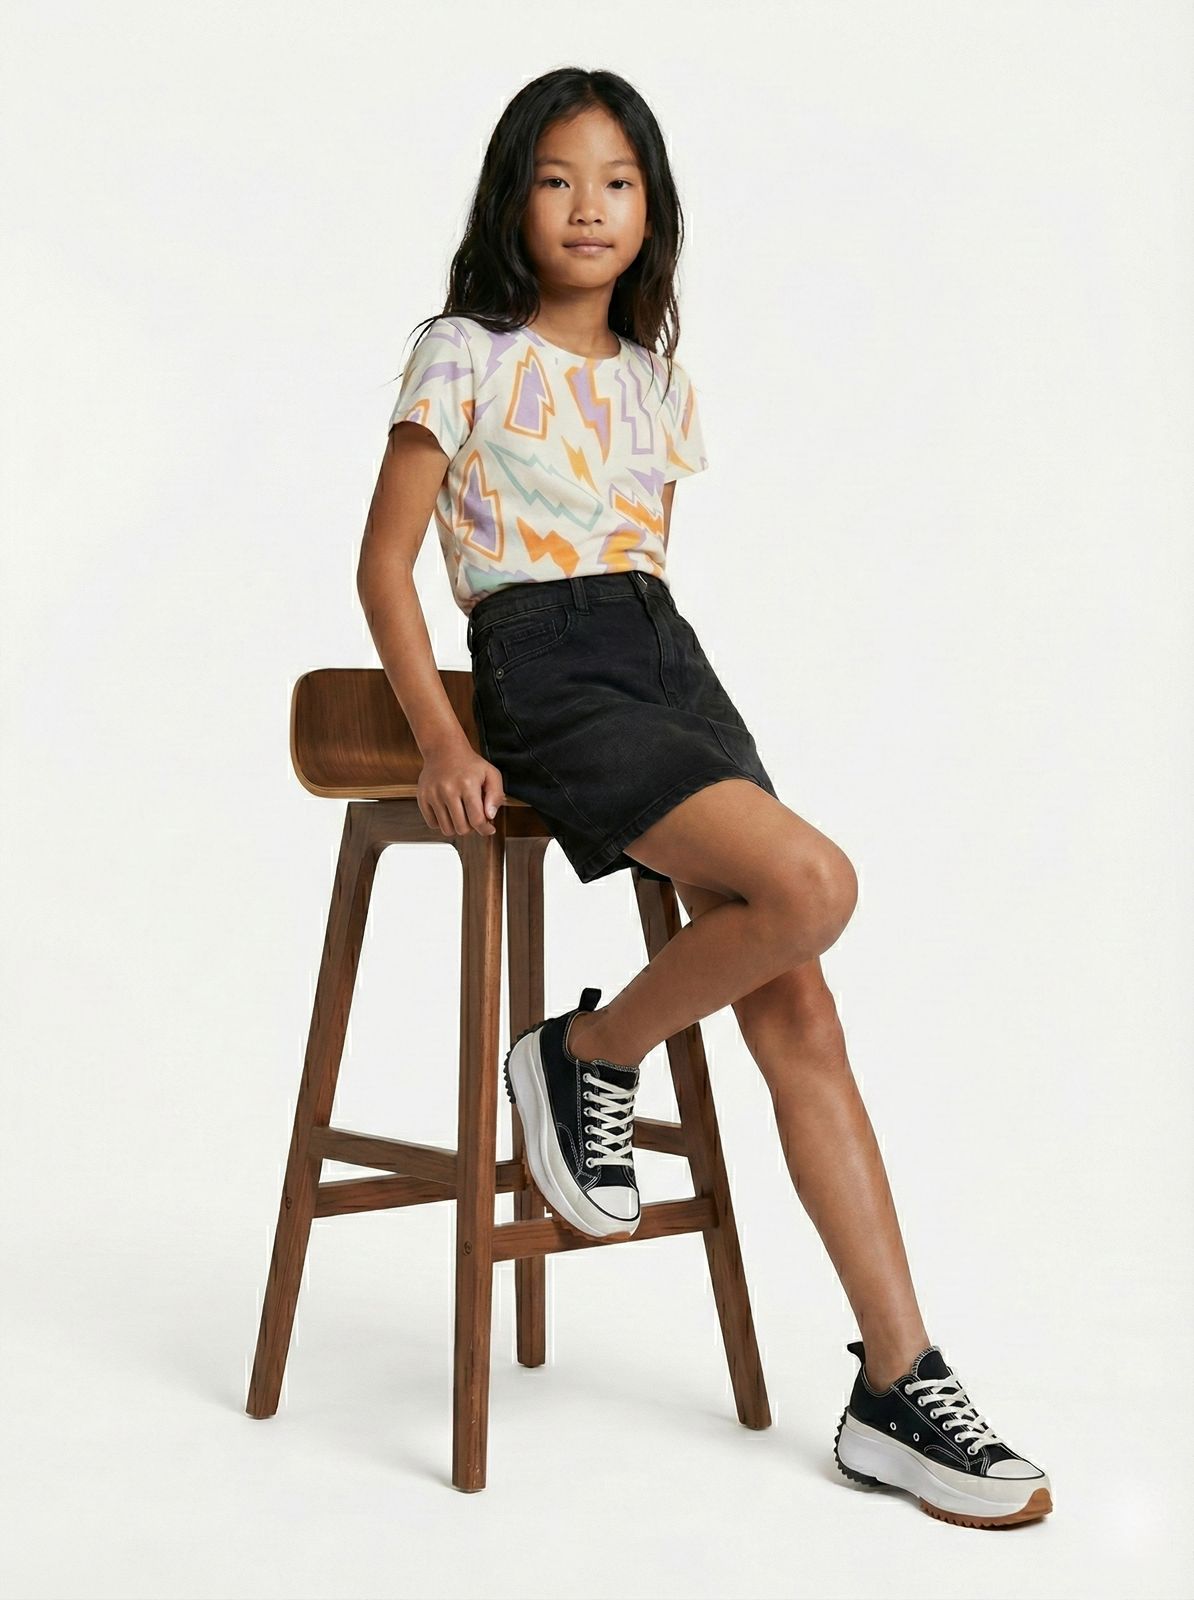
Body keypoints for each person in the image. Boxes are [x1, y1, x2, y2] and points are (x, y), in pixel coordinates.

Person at [356, 66, 1052, 1530]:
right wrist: (438, 738)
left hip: (667, 658)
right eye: (557, 180)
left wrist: (657, 677)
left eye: (616, 182)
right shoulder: (462, 354)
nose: (587, 208)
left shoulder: (658, 382)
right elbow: (384, 566)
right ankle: (582, 1055)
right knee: (814, 885)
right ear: (511, 200)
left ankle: (896, 1383)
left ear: (652, 207)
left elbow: (644, 566)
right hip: (543, 667)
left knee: (800, 1002)